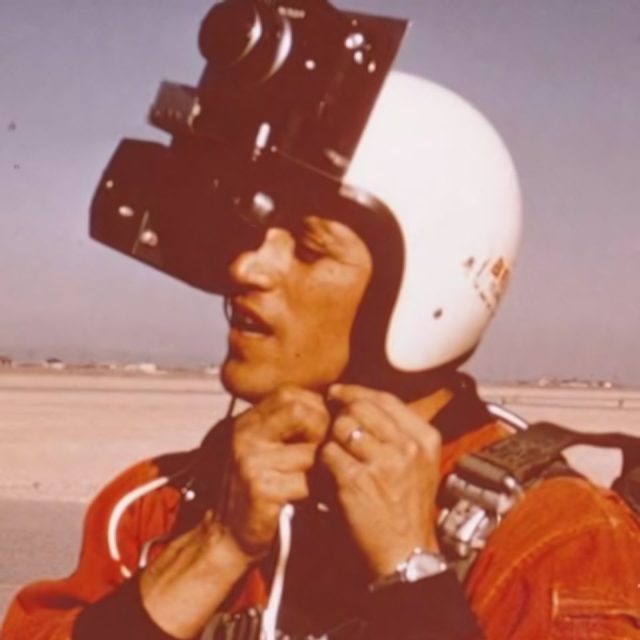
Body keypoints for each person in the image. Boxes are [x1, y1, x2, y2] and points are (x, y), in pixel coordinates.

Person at [3, 2, 640, 639]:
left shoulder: (554, 537)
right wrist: (214, 548)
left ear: (421, 291)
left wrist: (412, 576)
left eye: (309, 247)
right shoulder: (159, 507)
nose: (247, 267)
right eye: (254, 232)